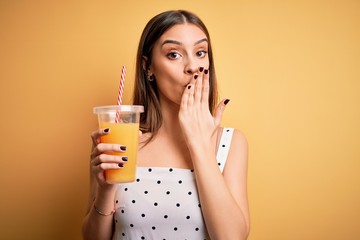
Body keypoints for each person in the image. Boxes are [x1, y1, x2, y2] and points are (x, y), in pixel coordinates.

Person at [82, 9, 250, 240]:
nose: (192, 66)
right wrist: (106, 190)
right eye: (174, 54)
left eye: (200, 52)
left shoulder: (231, 143)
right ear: (147, 66)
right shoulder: (118, 141)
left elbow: (232, 238)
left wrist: (199, 143)